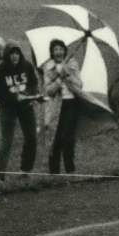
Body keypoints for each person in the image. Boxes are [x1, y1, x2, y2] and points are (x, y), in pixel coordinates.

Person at [0, 41, 40, 185]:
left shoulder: (27, 66)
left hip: (25, 106)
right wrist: (13, 98)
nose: (15, 56)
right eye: (12, 53)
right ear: (7, 55)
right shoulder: (0, 69)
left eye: (17, 53)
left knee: (31, 137)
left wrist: (28, 94)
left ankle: (26, 171)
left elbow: (34, 83)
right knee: (7, 140)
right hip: (8, 108)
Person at [41, 39, 84, 175]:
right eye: (55, 50)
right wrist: (59, 78)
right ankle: (54, 172)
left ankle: (70, 170)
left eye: (61, 49)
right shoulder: (48, 67)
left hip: (72, 103)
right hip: (56, 107)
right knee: (56, 138)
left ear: (65, 51)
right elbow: (48, 91)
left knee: (68, 138)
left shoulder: (72, 63)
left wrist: (68, 75)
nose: (58, 52)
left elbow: (79, 84)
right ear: (52, 52)